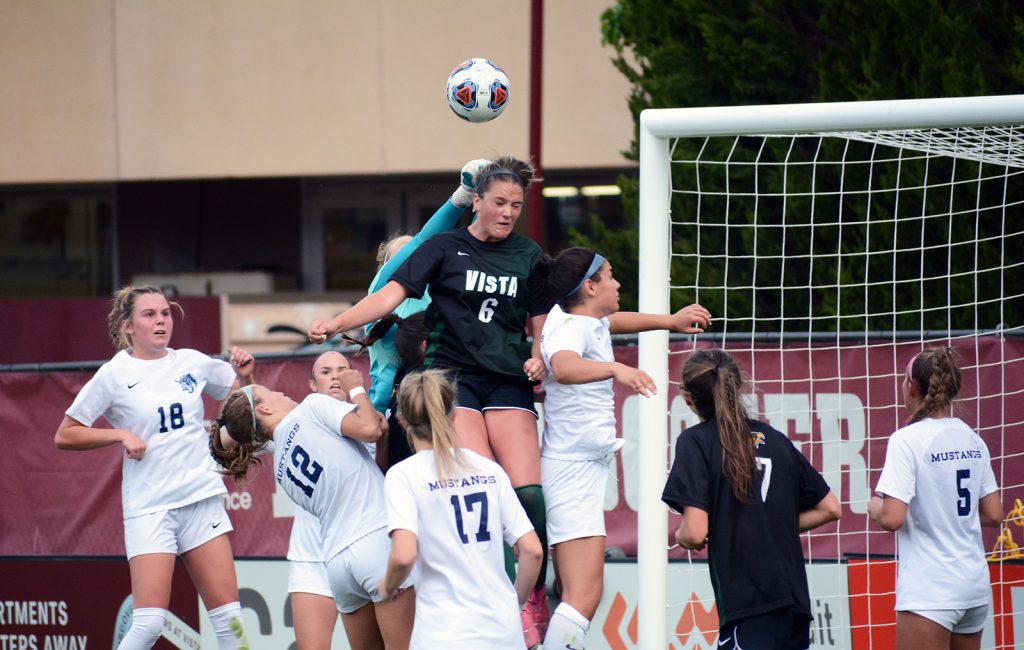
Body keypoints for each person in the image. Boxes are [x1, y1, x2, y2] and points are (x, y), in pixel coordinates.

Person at [309, 156, 553, 641]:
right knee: (481, 484)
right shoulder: (443, 247)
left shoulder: (528, 254)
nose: (507, 212)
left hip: (507, 381)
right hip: (453, 380)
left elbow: (539, 318)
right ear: (476, 202)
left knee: (528, 496)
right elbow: (388, 295)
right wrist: (338, 322)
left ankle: (530, 596)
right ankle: (487, 598)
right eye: (499, 202)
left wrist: (541, 354)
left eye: (516, 205)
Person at [54, 285, 254, 650]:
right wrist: (119, 435)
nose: (161, 321)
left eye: (165, 313)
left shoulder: (191, 361)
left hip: (200, 496)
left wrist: (245, 375)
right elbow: (65, 434)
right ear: (127, 326)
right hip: (151, 506)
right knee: (148, 624)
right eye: (149, 315)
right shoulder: (114, 374)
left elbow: (244, 401)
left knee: (232, 624)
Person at [534, 247, 712, 649]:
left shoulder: (582, 317)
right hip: (572, 471)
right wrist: (617, 368)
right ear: (590, 285)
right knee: (583, 596)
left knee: (576, 593)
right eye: (610, 275)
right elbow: (563, 365)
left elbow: (614, 322)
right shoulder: (572, 328)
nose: (617, 283)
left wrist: (670, 321)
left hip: (575, 467)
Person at [209, 372, 414, 650]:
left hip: (338, 567)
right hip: (375, 540)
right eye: (273, 392)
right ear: (265, 409)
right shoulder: (311, 407)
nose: (282, 393)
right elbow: (370, 428)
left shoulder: (280, 463)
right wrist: (356, 388)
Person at [662, 348, 841, 650]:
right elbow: (831, 508)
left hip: (749, 601)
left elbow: (695, 532)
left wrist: (680, 535)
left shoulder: (694, 441)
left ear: (687, 397)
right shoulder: (775, 438)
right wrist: (773, 523)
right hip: (794, 601)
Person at [379, 369, 543, 649]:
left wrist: (387, 588)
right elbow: (533, 550)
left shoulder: (403, 475)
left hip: (444, 634)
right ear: (453, 413)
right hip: (503, 632)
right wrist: (512, 602)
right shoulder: (488, 470)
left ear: (403, 421)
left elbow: (404, 555)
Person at [868, 347, 1002, 650]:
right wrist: (944, 512)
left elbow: (892, 517)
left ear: (911, 387)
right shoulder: (972, 437)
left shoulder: (906, 439)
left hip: (931, 592)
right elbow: (994, 514)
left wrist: (876, 508)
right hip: (973, 589)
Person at [283, 350, 373, 650]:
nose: (335, 376)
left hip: (359, 553)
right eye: (325, 371)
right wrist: (246, 380)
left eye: (342, 369)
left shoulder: (372, 422)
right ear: (311, 384)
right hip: (312, 559)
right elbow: (249, 426)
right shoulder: (296, 423)